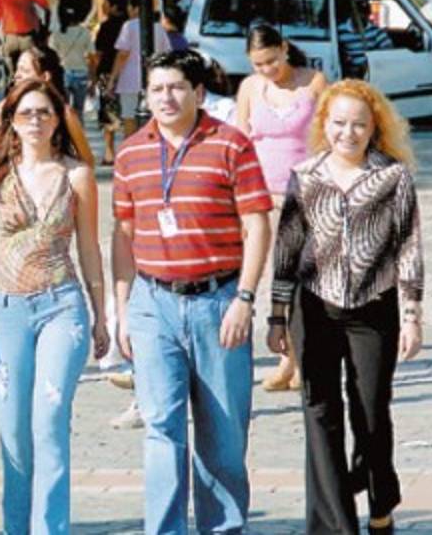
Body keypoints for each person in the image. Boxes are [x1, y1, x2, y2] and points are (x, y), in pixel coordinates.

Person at [113, 50, 273, 533]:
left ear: (198, 93)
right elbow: (123, 234)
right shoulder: (131, 153)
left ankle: (221, 528)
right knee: (161, 427)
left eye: (177, 87)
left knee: (223, 436)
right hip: (152, 303)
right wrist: (122, 309)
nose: (166, 97)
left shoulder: (231, 144)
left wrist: (245, 298)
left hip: (218, 302)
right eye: (157, 89)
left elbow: (257, 225)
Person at [0, 78, 110, 533]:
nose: (35, 120)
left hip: (62, 306)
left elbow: (89, 247)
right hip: (5, 310)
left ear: (59, 119)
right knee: (14, 434)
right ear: (11, 121)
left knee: (50, 420)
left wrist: (102, 316)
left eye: (44, 112)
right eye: (26, 113)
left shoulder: (76, 175)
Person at [269, 79, 423, 535]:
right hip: (314, 305)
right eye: (339, 123)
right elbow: (287, 248)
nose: (348, 133)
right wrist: (277, 315)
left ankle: (380, 502)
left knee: (370, 411)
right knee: (319, 411)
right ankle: (334, 525)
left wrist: (412, 314)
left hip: (373, 306)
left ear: (375, 127)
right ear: (324, 124)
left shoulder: (392, 177)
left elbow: (409, 247)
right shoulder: (306, 176)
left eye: (359, 124)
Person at [235, 25, 326, 393]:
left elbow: (327, 137)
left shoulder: (313, 82)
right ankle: (285, 355)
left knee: (301, 279)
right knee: (272, 278)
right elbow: (241, 141)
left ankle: (303, 357)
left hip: (304, 195)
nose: (267, 70)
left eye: (272, 61)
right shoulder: (249, 88)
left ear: (284, 49)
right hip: (261, 197)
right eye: (258, 64)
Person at [0, 45, 96, 226]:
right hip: (12, 197)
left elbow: (87, 160)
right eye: (17, 70)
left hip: (51, 199)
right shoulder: (5, 109)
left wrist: (72, 192)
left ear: (45, 77)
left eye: (24, 71)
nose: (16, 76)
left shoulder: (65, 114)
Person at [107, 0, 172, 128]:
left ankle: (131, 141)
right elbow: (166, 54)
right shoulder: (158, 27)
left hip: (129, 79)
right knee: (154, 118)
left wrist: (113, 79)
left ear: (136, 8)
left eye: (129, 6)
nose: (128, 9)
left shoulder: (129, 26)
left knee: (129, 117)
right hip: (154, 78)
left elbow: (122, 54)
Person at [91, 0, 128, 165]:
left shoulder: (106, 27)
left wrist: (94, 75)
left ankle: (109, 153)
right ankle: (127, 152)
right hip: (127, 73)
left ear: (114, 6)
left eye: (106, 4)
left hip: (107, 71)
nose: (103, 6)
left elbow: (98, 52)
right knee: (128, 114)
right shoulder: (128, 26)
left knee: (107, 113)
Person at [50, 0, 94, 117]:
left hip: (63, 73)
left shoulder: (56, 34)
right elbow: (91, 57)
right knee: (79, 110)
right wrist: (93, 79)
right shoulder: (85, 33)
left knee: (65, 109)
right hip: (82, 73)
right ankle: (78, 127)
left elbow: (52, 56)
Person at [337, 0, 394, 79]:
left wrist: (374, 61)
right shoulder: (340, 30)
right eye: (358, 15)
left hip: (370, 73)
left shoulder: (375, 31)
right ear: (351, 14)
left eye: (364, 15)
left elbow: (388, 50)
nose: (361, 19)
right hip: (350, 74)